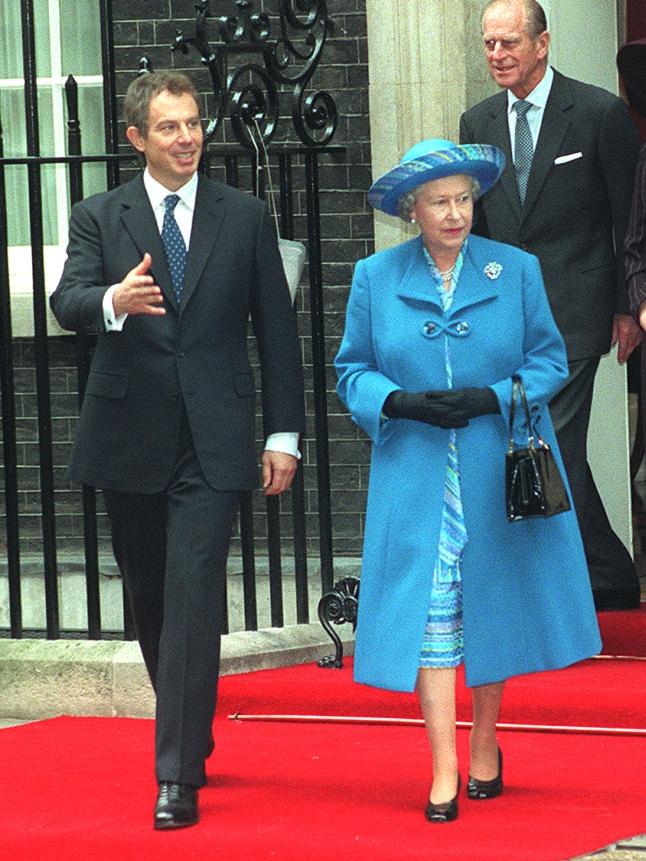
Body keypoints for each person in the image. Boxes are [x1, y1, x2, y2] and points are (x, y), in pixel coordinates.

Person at [50, 71, 305, 830]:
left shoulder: (246, 215)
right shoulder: (101, 215)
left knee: (195, 594)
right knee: (153, 602)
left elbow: (279, 335)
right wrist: (111, 304)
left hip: (215, 439)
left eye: (194, 123)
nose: (187, 138)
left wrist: (282, 433)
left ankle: (175, 772)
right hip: (130, 436)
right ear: (137, 138)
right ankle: (190, 719)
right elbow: (67, 302)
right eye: (169, 127)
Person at [335, 138, 601, 823]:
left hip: (494, 465)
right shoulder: (374, 276)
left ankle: (484, 739)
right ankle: (443, 765)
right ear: (410, 209)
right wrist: (396, 401)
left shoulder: (514, 271)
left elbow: (550, 359)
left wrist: (497, 395)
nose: (454, 214)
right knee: (431, 615)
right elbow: (352, 370)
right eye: (439, 202)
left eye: (463, 200)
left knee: (491, 604)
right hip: (416, 471)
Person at [459, 0, 642, 611]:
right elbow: (481, 224)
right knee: (540, 439)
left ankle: (549, 583)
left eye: (509, 42)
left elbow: (630, 220)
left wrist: (627, 306)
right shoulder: (477, 121)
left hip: (579, 307)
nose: (497, 55)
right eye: (489, 44)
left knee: (551, 438)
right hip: (507, 313)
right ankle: (609, 570)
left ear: (543, 43)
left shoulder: (598, 113)